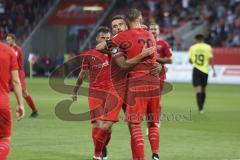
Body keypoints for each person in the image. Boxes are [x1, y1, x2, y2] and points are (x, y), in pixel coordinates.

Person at [72, 26, 154, 160]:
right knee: (97, 124)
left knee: (107, 128)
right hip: (95, 93)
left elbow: (129, 62)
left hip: (112, 91)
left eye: (107, 38)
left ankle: (102, 147)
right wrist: (75, 90)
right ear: (97, 39)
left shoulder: (115, 53)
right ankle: (98, 154)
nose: (105, 39)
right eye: (103, 38)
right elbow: (82, 74)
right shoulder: (90, 55)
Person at [94, 8, 161, 160]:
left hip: (132, 84)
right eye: (114, 26)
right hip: (117, 87)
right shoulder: (115, 43)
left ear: (127, 24)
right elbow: (99, 47)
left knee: (133, 125)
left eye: (120, 24)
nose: (117, 27)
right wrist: (112, 40)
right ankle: (97, 154)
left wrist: (158, 65)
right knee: (106, 125)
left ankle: (137, 157)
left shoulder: (128, 38)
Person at [0, 42, 25, 160]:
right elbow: (15, 81)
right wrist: (20, 104)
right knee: (4, 139)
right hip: (2, 103)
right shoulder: (9, 51)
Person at [6, 34, 38, 117]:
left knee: (24, 93)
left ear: (13, 40)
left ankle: (34, 110)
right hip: (10, 74)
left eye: (9, 39)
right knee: (4, 91)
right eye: (6, 40)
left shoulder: (17, 50)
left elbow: (18, 65)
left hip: (18, 73)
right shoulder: (8, 49)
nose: (7, 41)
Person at [189, 34, 216, 113]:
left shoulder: (192, 47)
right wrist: (214, 70)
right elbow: (211, 59)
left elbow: (190, 61)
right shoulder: (208, 47)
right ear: (203, 39)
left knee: (198, 90)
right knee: (203, 90)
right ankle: (202, 107)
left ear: (196, 39)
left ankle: (200, 108)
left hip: (196, 70)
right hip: (205, 71)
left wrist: (195, 62)